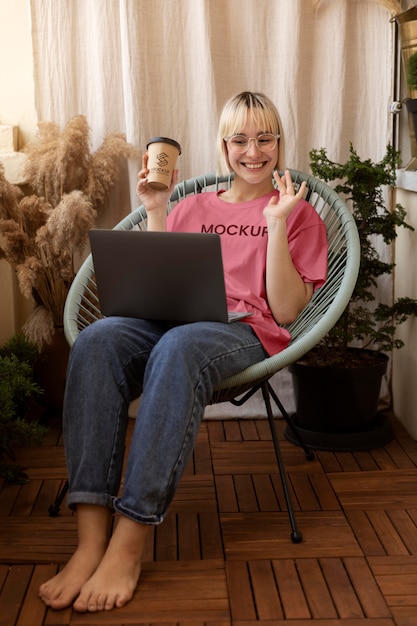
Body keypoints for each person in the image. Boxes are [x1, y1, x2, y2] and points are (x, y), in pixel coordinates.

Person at [39, 91, 327, 613]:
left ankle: (128, 541)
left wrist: (278, 223)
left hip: (238, 329)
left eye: (265, 138)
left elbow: (285, 311)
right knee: (101, 339)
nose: (253, 151)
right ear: (223, 145)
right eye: (240, 139)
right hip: (171, 316)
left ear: (280, 142)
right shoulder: (193, 205)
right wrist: (156, 211)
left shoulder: (298, 211)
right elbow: (157, 283)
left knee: (178, 346)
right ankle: (88, 542)